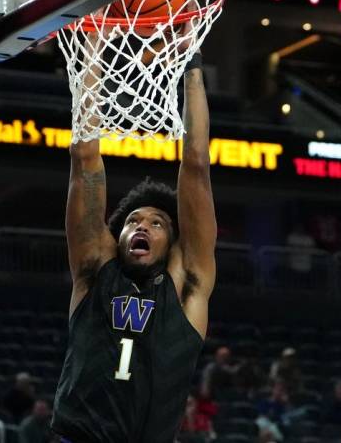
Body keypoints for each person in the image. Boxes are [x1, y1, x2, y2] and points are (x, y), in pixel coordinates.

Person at [51, 42, 218, 442]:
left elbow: (195, 163)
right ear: (117, 235)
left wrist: (191, 63)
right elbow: (84, 157)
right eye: (132, 221)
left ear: (174, 243)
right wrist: (91, 52)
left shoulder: (187, 285)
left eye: (157, 223)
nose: (141, 227)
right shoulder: (95, 271)